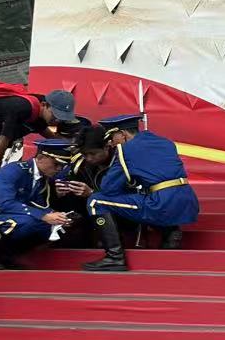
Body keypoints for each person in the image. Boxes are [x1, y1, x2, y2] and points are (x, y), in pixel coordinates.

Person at [76, 115, 201, 271]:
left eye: (112, 137)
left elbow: (108, 188)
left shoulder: (125, 150)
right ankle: (170, 232)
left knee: (96, 201)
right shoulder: (165, 142)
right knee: (145, 195)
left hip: (162, 204)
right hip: (188, 201)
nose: (111, 143)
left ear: (122, 134)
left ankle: (114, 257)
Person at [0, 138, 80, 268]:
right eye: (56, 164)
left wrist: (58, 216)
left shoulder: (42, 178)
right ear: (40, 158)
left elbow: (39, 205)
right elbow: (6, 203)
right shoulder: (13, 171)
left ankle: (9, 254)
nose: (59, 169)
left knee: (47, 226)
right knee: (27, 222)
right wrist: (44, 216)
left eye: (62, 165)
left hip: (8, 214)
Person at [0, 86, 53, 169]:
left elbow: (47, 133)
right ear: (44, 105)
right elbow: (4, 139)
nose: (58, 119)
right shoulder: (23, 108)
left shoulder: (40, 114)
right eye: (55, 114)